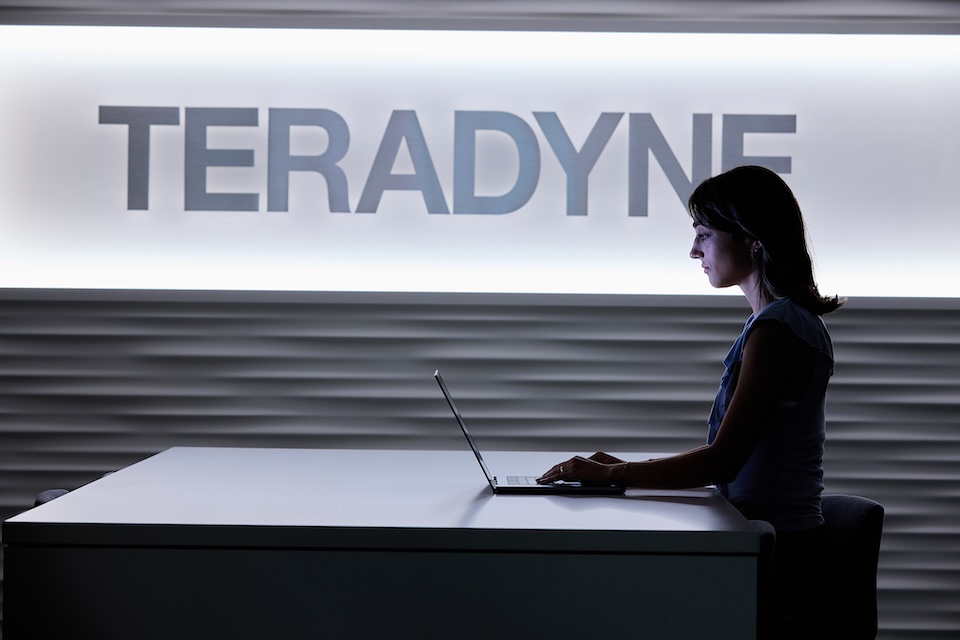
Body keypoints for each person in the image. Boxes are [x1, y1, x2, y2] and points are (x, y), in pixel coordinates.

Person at [537, 164, 843, 638]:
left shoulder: (779, 329)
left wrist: (614, 475)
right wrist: (621, 470)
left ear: (751, 238)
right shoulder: (783, 323)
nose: (694, 249)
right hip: (764, 540)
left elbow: (721, 461)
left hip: (777, 555)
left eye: (703, 233)